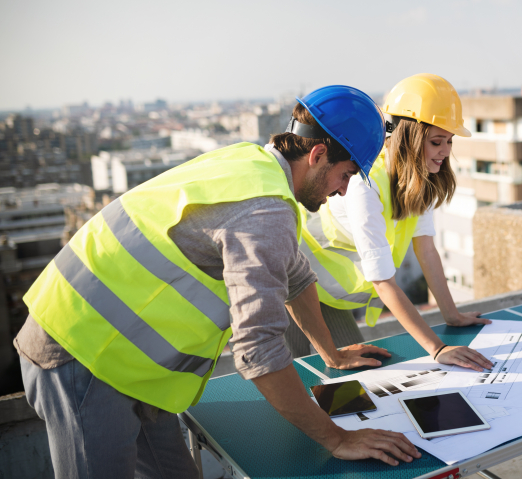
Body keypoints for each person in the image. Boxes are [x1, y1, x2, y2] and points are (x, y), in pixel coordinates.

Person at [14, 85, 422, 479]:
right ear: (318, 155)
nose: (345, 189)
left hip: (125, 361)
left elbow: (296, 278)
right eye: (347, 174)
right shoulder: (265, 209)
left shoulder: (253, 165)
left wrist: (330, 354)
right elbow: (258, 348)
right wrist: (336, 439)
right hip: (79, 349)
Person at [284, 73, 493, 372]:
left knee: (353, 375)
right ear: (409, 137)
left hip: (327, 290)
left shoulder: (417, 180)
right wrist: (438, 349)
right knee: (295, 376)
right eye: (436, 142)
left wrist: (452, 315)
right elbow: (382, 281)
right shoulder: (364, 185)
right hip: (287, 284)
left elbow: (427, 250)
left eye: (449, 141)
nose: (446, 152)